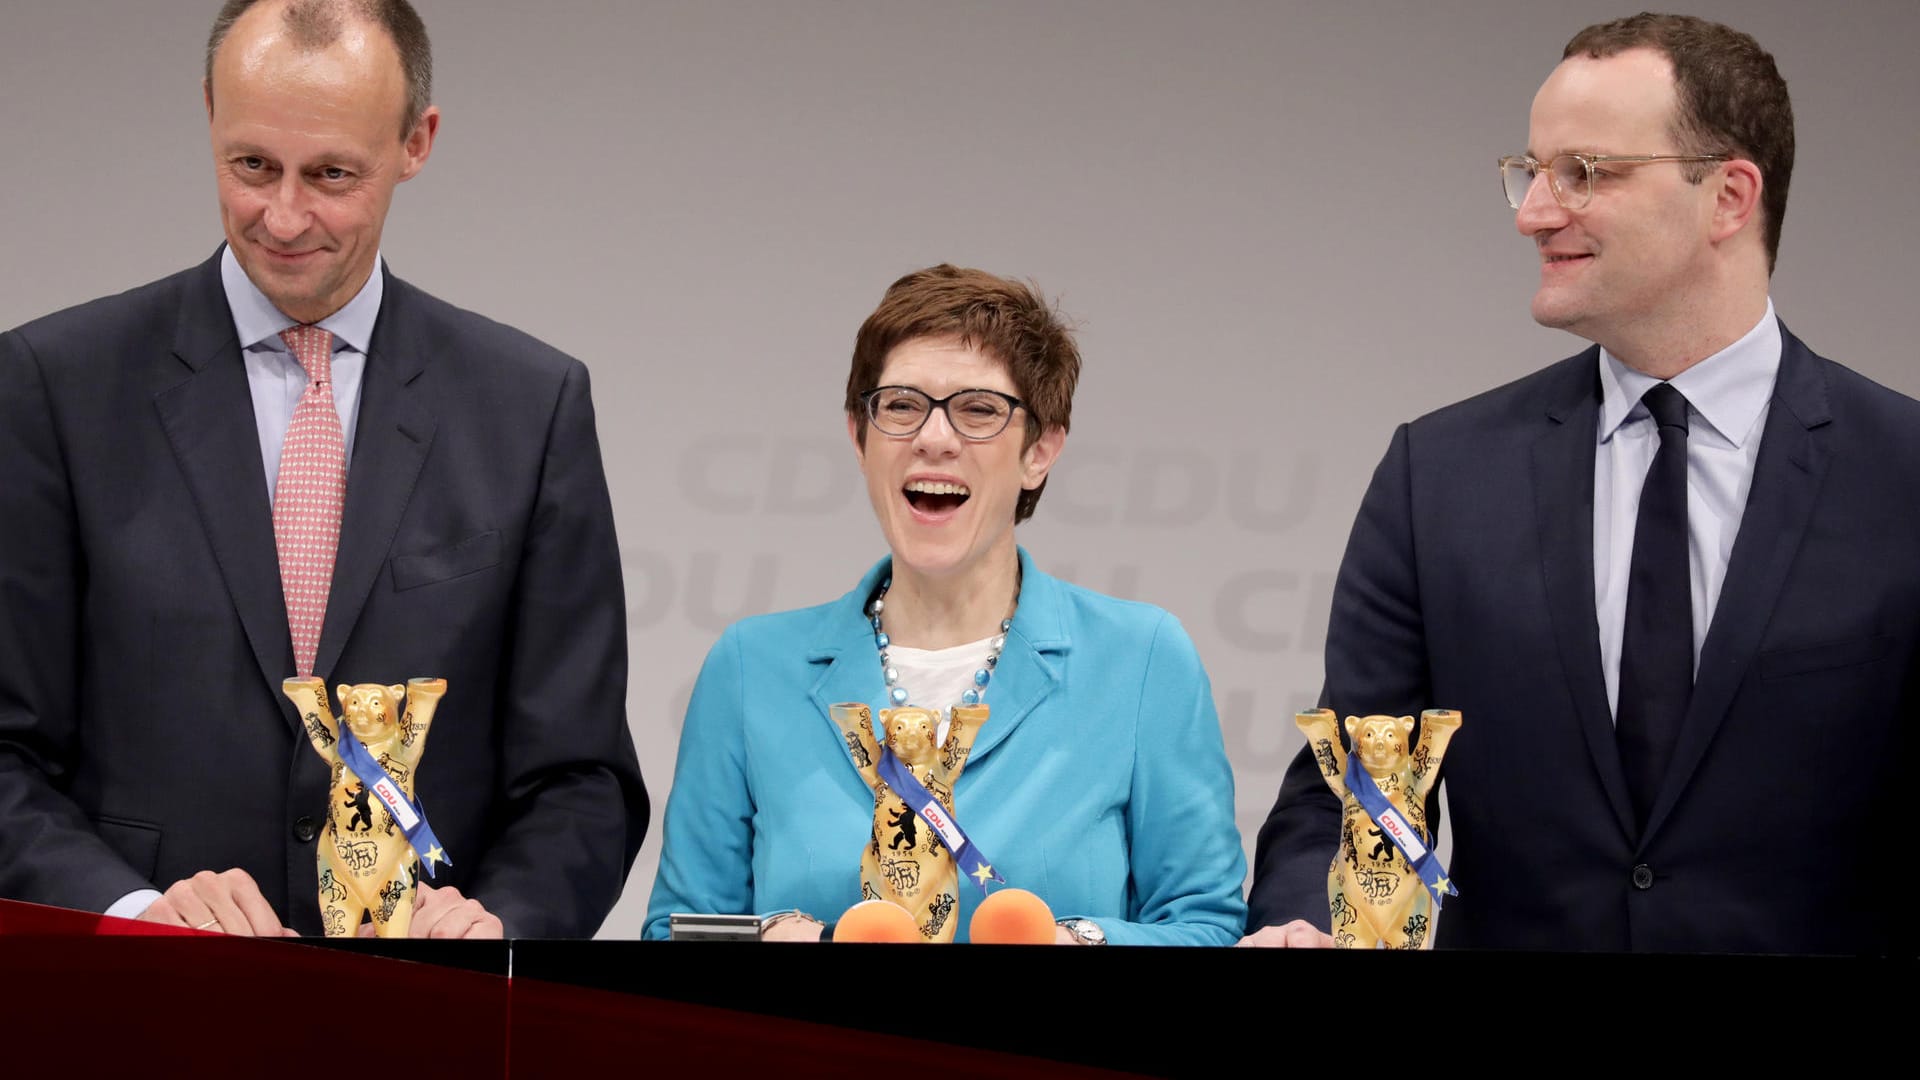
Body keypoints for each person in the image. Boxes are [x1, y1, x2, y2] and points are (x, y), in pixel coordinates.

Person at [1245, 13, 1918, 954]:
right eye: (1532, 171)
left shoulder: (1904, 474)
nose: (1533, 211)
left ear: (1729, 196)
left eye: (1585, 173)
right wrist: (1308, 926)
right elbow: (1350, 803)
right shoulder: (1438, 477)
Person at [0, 0, 648, 939]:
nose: (284, 215)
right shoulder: (53, 386)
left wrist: (498, 927)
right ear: (209, 113)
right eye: (251, 165)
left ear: (416, 143)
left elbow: (579, 776)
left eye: (332, 174)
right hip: (141, 1013)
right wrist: (135, 913)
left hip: (431, 1026)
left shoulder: (531, 406)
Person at [643, 265, 1246, 945]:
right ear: (858, 437)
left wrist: (1070, 945)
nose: (934, 437)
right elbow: (676, 932)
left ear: (1040, 451)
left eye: (979, 410)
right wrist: (780, 942)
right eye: (900, 406)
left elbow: (1207, 929)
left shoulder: (1141, 660)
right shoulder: (751, 666)